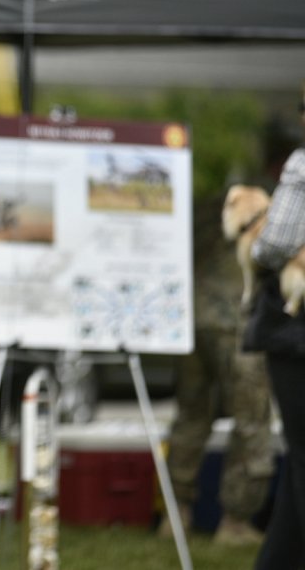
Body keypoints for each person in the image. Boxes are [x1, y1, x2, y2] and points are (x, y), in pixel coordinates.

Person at [158, 193, 272, 546]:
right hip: (238, 326)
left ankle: (175, 514)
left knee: (191, 414)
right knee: (251, 419)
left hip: (194, 320)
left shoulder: (205, 207)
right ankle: (235, 522)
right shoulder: (268, 205)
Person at [247, 101, 305, 569]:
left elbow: (275, 245)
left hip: (296, 329)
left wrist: (256, 237)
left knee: (302, 453)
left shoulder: (302, 163)